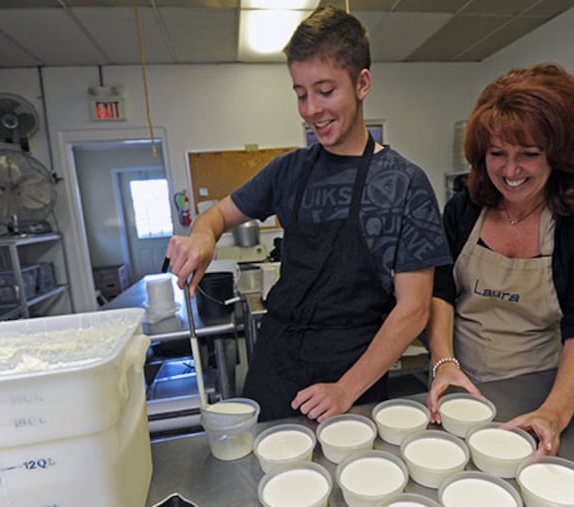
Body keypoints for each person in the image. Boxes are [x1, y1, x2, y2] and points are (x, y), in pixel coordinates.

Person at [167, 5, 450, 422]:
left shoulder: (404, 183)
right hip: (276, 361)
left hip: (353, 369)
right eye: (300, 93)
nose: (310, 109)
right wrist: (204, 236)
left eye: (325, 90)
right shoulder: (288, 170)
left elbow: (413, 308)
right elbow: (215, 217)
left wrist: (345, 390)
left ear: (362, 83)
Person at [426, 63, 574, 456]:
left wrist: (553, 413)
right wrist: (443, 363)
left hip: (543, 386)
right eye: (497, 153)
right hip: (457, 386)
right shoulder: (463, 210)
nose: (510, 170)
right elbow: (440, 292)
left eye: (529, 154)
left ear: (559, 154)